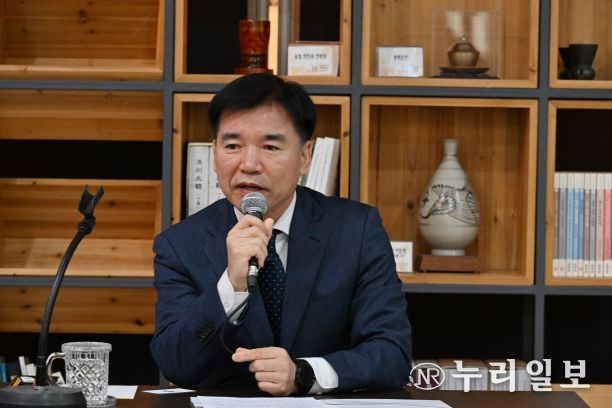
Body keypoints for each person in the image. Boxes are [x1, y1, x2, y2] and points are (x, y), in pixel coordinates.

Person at [150, 73, 412, 396]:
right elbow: (175, 363)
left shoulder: (356, 231)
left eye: (270, 146)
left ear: (304, 157)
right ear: (214, 152)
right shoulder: (179, 245)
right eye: (232, 146)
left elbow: (392, 353)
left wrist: (304, 373)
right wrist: (230, 286)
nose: (249, 164)